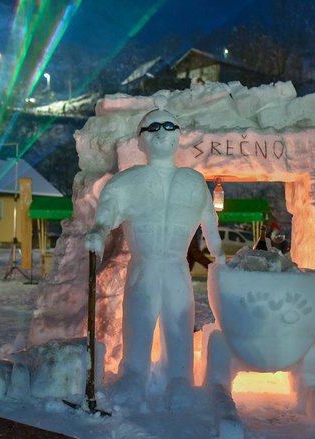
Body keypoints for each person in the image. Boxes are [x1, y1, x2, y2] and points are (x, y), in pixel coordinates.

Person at [85, 100, 225, 406]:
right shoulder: (126, 182)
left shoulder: (193, 182)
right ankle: (134, 375)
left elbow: (210, 226)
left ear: (179, 135)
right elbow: (107, 214)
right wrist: (97, 232)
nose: (162, 132)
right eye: (153, 127)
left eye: (169, 126)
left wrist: (219, 256)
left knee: (178, 321)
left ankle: (179, 379)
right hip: (144, 265)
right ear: (140, 140)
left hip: (176, 266)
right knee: (139, 317)